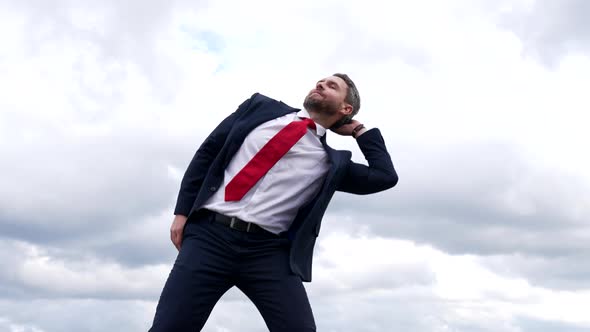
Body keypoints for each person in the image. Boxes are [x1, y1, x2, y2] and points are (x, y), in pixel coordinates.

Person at [149, 73, 398, 331]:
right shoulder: (259, 108)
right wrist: (182, 212)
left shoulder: (331, 163)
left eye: (332, 86)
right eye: (320, 82)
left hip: (267, 252)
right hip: (209, 238)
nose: (320, 84)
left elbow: (384, 176)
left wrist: (360, 131)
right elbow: (208, 151)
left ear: (346, 108)